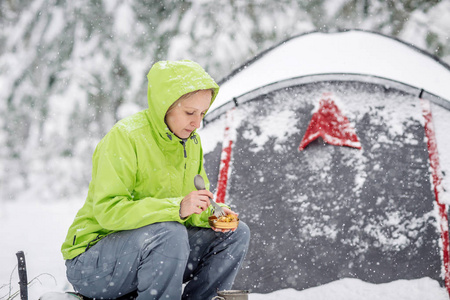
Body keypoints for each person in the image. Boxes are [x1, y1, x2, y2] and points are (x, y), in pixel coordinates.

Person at [61, 60, 250, 300]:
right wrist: (176, 208)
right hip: (93, 264)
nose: (197, 122)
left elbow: (188, 208)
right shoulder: (126, 137)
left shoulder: (191, 143)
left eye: (202, 113)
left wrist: (213, 214)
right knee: (170, 233)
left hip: (154, 249)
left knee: (235, 233)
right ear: (165, 106)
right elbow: (108, 211)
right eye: (190, 112)